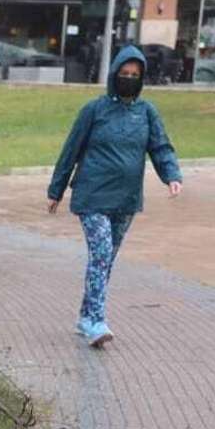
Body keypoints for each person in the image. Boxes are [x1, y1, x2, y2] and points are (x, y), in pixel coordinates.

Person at [48, 45, 183, 348]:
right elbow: (71, 150)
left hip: (126, 199)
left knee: (105, 260)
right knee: (101, 254)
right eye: (124, 73)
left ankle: (85, 317)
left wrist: (172, 175)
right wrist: (56, 190)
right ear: (114, 74)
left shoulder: (146, 113)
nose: (129, 79)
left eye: (135, 75)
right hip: (92, 196)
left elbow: (160, 147)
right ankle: (97, 321)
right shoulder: (94, 110)